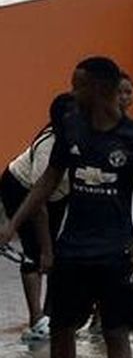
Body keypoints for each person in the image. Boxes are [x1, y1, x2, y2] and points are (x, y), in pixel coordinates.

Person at [0, 57, 133, 358]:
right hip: (72, 250)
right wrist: (12, 224)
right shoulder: (72, 130)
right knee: (62, 329)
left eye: (78, 86)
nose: (72, 93)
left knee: (115, 333)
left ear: (98, 90)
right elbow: (48, 180)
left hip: (116, 253)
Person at [3, 94, 72, 343]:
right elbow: (39, 202)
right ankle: (36, 321)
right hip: (21, 189)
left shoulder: (85, 137)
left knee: (60, 253)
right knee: (37, 253)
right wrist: (46, 249)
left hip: (58, 195)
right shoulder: (48, 148)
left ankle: (53, 315)